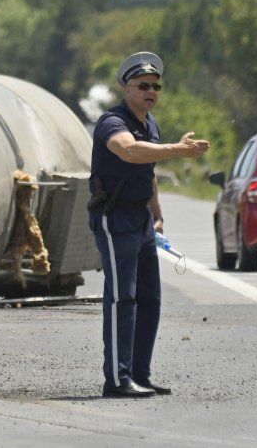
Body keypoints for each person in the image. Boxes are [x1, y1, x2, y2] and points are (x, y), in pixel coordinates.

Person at [89, 51, 209, 398]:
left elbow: (149, 171)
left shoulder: (149, 123)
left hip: (141, 218)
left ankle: (140, 374)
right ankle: (117, 379)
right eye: (143, 85)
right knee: (121, 299)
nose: (151, 91)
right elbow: (129, 152)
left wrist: (157, 215)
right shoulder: (113, 122)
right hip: (115, 218)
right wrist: (178, 150)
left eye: (156, 86)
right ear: (127, 88)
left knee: (149, 299)